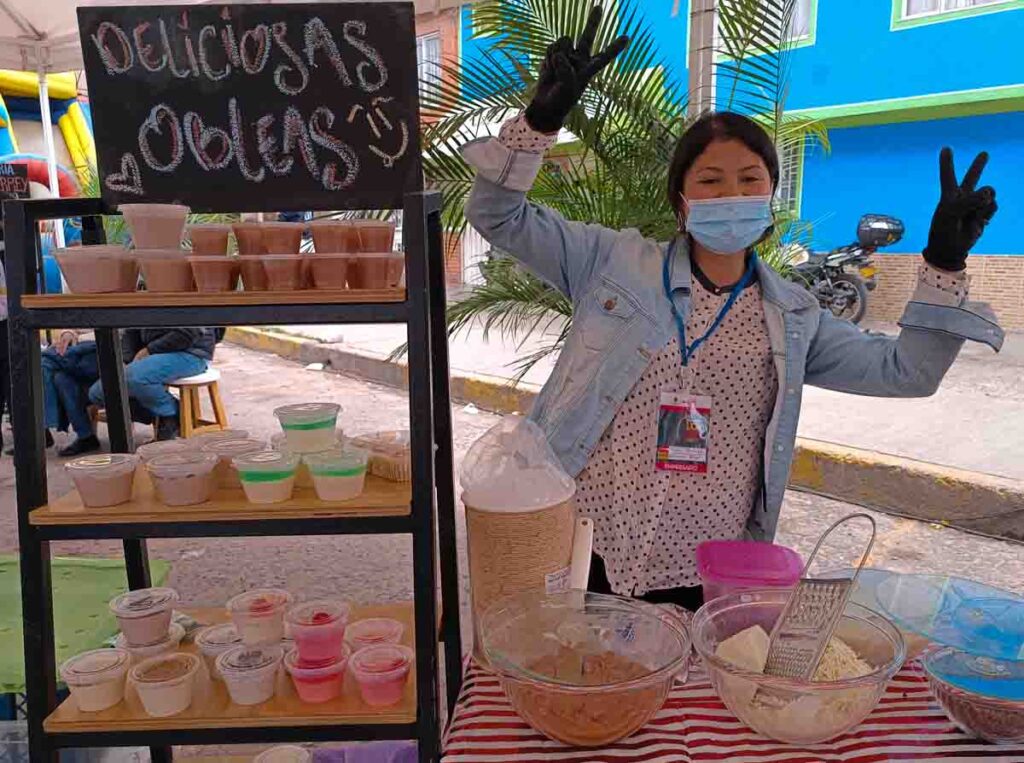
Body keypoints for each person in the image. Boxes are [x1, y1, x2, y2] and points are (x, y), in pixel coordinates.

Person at [461, 8, 1002, 612]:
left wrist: (943, 265)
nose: (733, 194)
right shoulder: (611, 262)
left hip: (708, 565)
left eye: (749, 180)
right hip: (583, 543)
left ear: (770, 196)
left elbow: (908, 372)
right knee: (575, 668)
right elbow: (497, 216)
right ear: (681, 200)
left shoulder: (793, 318)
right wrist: (539, 122)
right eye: (711, 181)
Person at [88, 328, 217, 442]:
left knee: (136, 378)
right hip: (154, 353)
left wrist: (150, 350)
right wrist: (126, 359)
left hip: (190, 352)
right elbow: (130, 331)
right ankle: (171, 414)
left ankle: (170, 416)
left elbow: (188, 333)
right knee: (99, 392)